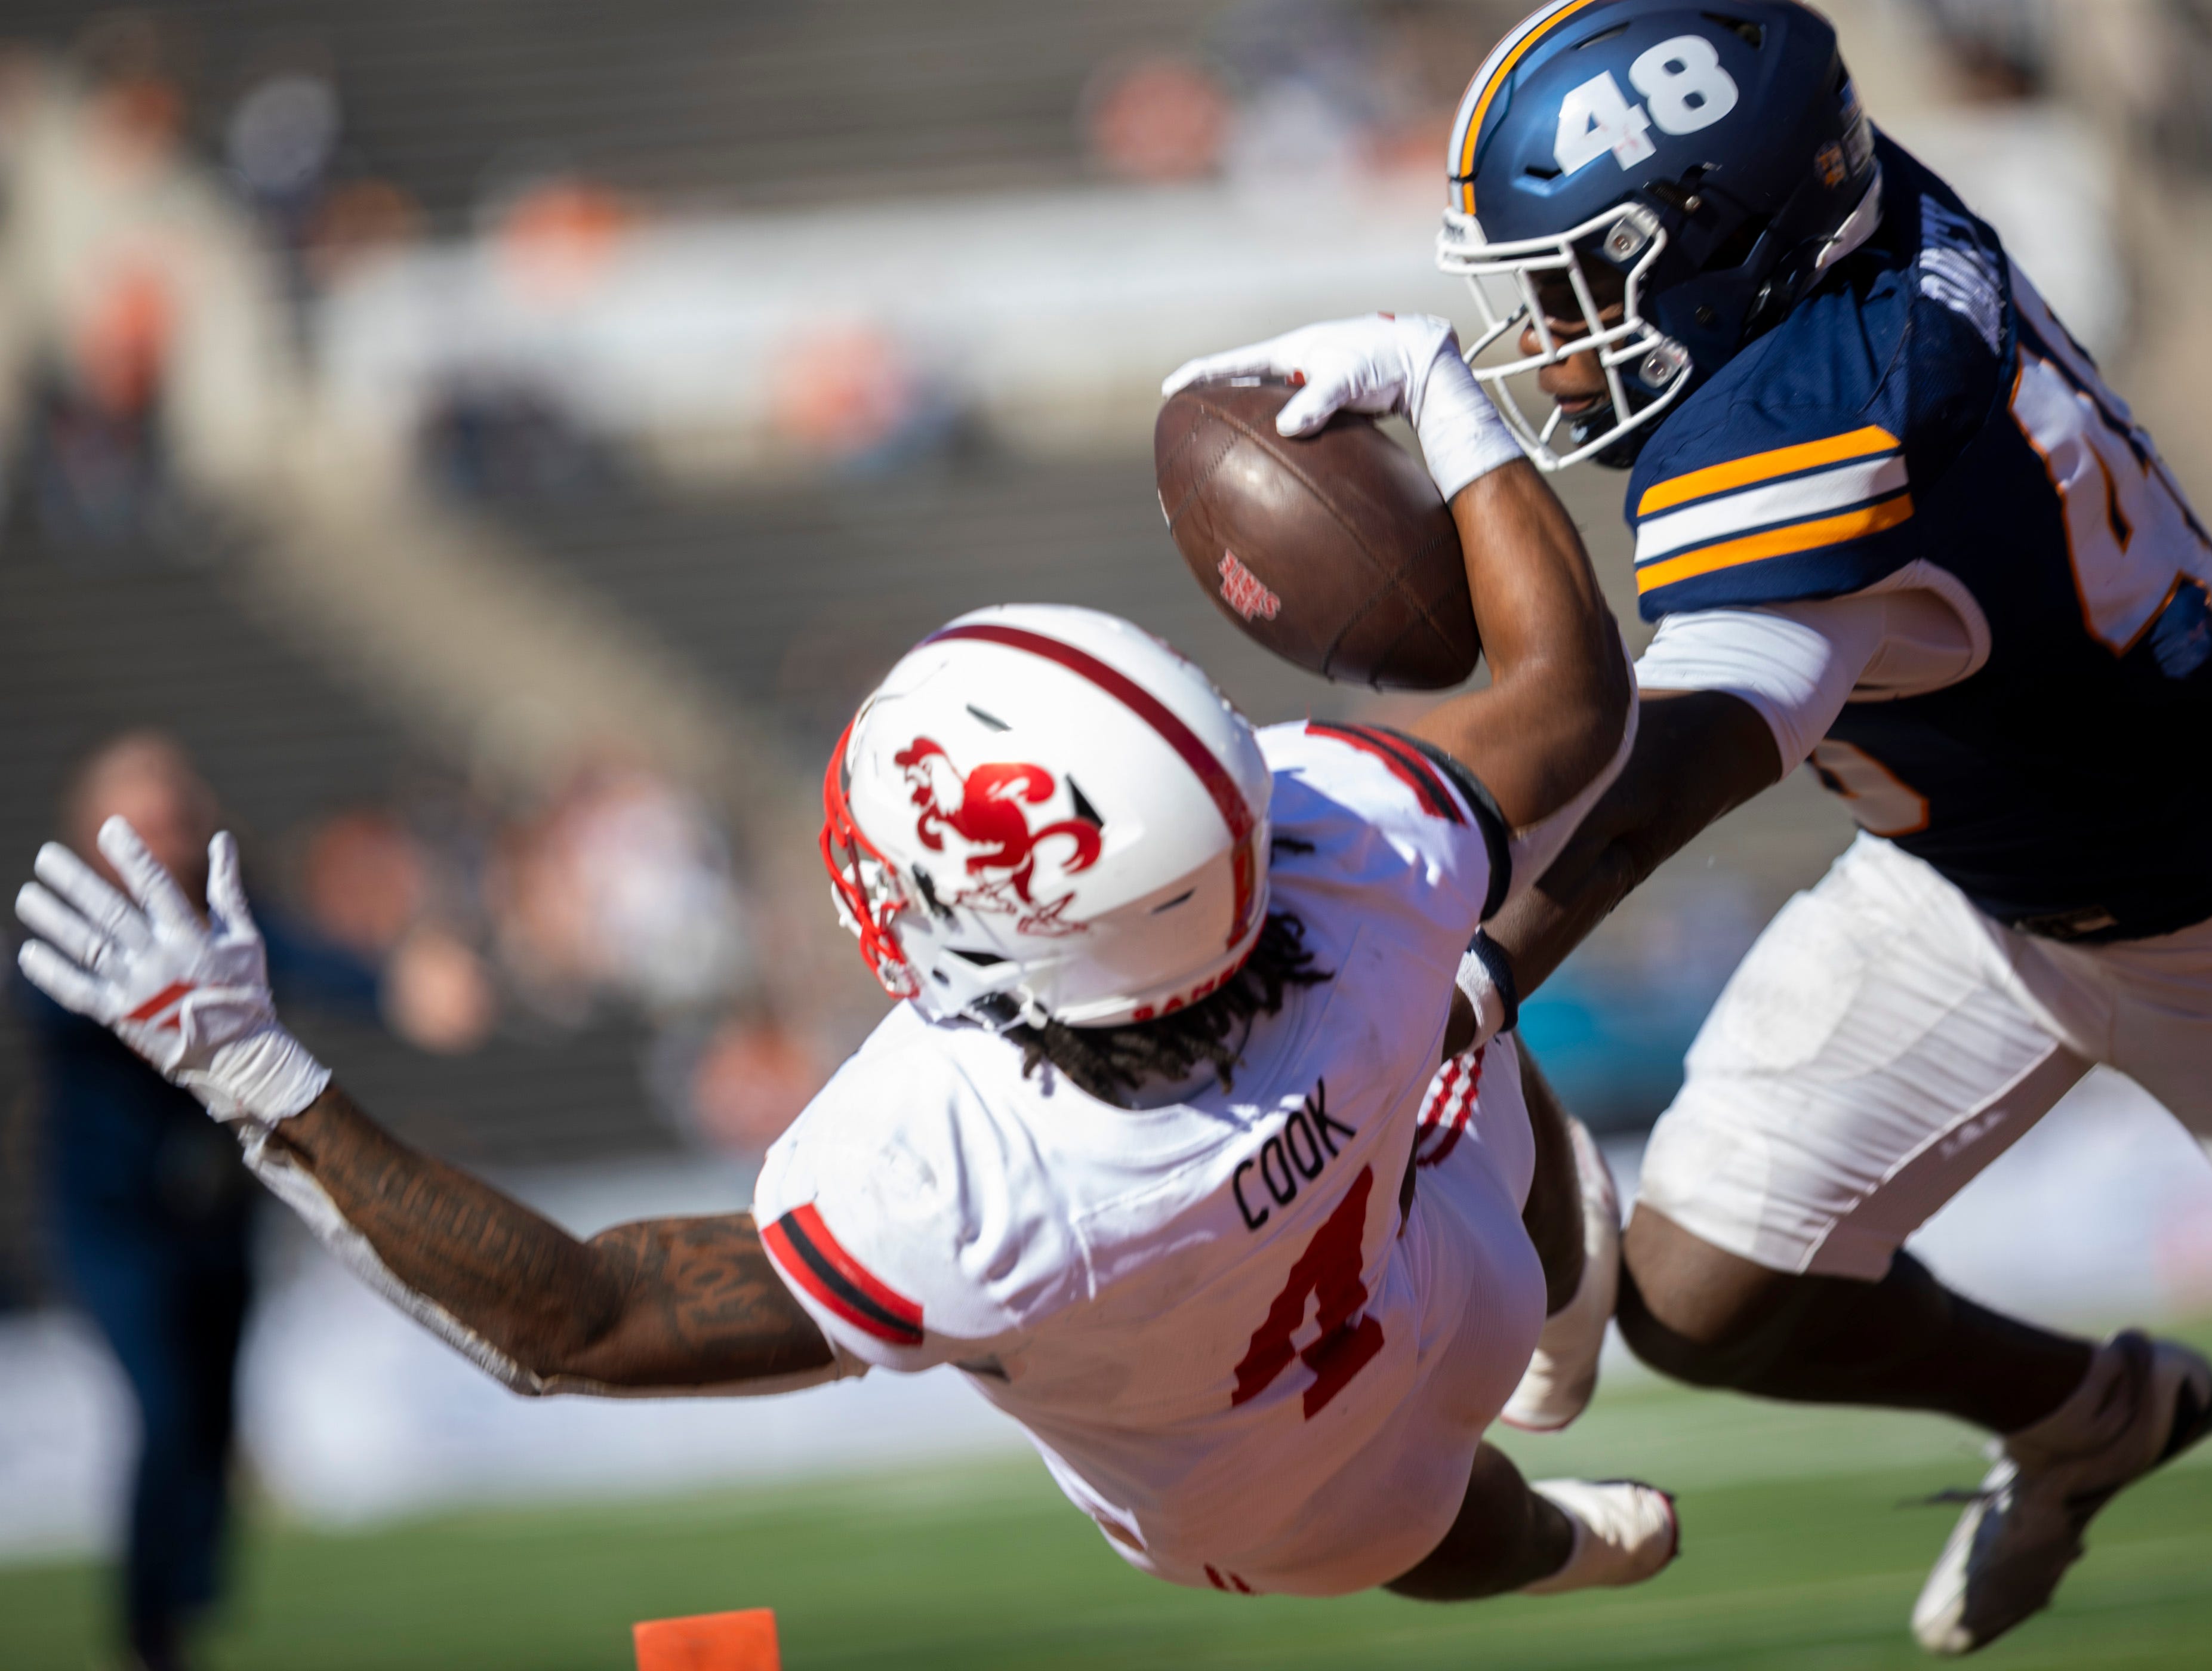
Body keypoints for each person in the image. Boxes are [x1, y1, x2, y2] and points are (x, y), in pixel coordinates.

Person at [1193, 0, 2212, 1656]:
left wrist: (1439, 980)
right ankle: (2089, 1417)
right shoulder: (1862, 228)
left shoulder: (1830, 427)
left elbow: (1625, 786)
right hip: (1983, 878)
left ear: (1724, 235)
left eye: (1590, 287)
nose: (1565, 342)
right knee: (1701, 1293)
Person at [14, 327, 1669, 1603]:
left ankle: (1562, 1538)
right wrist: (1434, 377)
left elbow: (573, 1326)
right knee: (1457, 993)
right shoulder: (1357, 860)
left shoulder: (963, 1173)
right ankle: (1560, 1318)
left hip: (1257, 1496)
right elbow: (1571, 697)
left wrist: (263, 1080)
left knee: (1418, 1521)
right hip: (1445, 1269)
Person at [14, 733, 387, 1671]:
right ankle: (150, 1633)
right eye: (147, 822)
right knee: (168, 1405)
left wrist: (402, 987)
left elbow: (308, 957)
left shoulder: (233, 914)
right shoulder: (76, 928)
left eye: (179, 818)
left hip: (216, 1216)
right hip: (113, 1221)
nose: (170, 839)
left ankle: (185, 1605)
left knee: (214, 1412)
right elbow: (58, 1012)